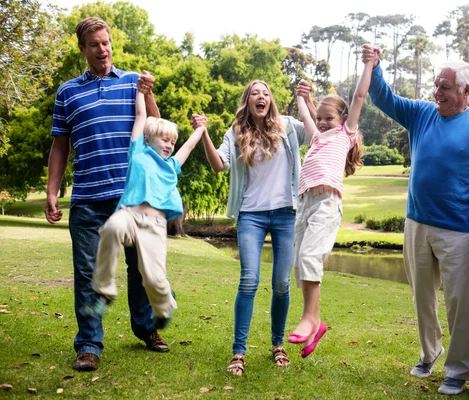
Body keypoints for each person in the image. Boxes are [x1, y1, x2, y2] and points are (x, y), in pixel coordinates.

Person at [361, 44, 469, 395]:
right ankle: (430, 351)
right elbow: (383, 97)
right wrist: (374, 66)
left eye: (445, 87)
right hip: (417, 223)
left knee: (459, 303)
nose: (437, 92)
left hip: (458, 229)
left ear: (465, 91)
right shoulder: (422, 113)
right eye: (436, 85)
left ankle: (458, 370)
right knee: (422, 296)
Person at [45, 17, 168, 372]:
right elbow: (60, 146)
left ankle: (146, 329)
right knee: (88, 274)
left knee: (142, 268)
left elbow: (155, 129)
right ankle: (88, 345)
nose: (103, 49)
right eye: (95, 44)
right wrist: (53, 191)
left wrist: (148, 93)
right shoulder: (67, 92)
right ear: (82, 49)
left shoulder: (132, 83)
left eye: (106, 42)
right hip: (86, 199)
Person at [193, 79, 316, 375]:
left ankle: (277, 345)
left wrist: (306, 100)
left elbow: (316, 135)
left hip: (286, 213)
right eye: (254, 94)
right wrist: (203, 134)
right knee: (249, 280)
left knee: (282, 283)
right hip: (251, 214)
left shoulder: (287, 125)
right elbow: (218, 165)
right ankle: (238, 351)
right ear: (247, 102)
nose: (261, 97)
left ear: (271, 100)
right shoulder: (235, 133)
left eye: (265, 93)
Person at [83, 83, 208, 329]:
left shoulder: (172, 166)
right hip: (129, 214)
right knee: (111, 229)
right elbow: (141, 116)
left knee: (153, 278)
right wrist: (140, 91)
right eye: (165, 139)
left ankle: (164, 308)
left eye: (172, 142)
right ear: (149, 139)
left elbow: (190, 146)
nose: (169, 145)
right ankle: (104, 292)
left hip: (155, 225)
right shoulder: (137, 151)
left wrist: (201, 129)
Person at [287, 66, 367, 357]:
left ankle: (309, 318)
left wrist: (368, 63)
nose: (321, 123)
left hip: (326, 202)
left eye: (328, 119)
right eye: (319, 119)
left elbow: (359, 95)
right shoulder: (318, 138)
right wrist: (302, 98)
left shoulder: (344, 134)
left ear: (344, 120)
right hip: (305, 202)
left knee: (310, 256)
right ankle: (316, 324)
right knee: (299, 261)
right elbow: (307, 116)